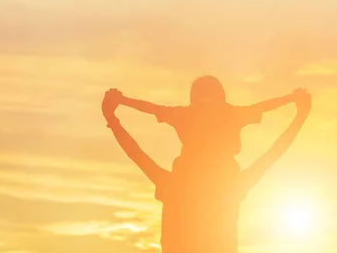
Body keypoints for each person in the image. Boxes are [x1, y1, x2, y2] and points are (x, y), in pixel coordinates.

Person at [101, 87, 311, 253]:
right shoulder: (231, 186)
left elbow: (135, 152)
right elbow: (274, 152)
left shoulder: (175, 184)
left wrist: (113, 117)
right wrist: (299, 115)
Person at [114, 75, 300, 177]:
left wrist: (121, 100)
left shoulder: (188, 114)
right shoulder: (228, 113)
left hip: (203, 176)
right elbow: (153, 109)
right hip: (214, 177)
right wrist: (291, 99)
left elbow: (153, 109)